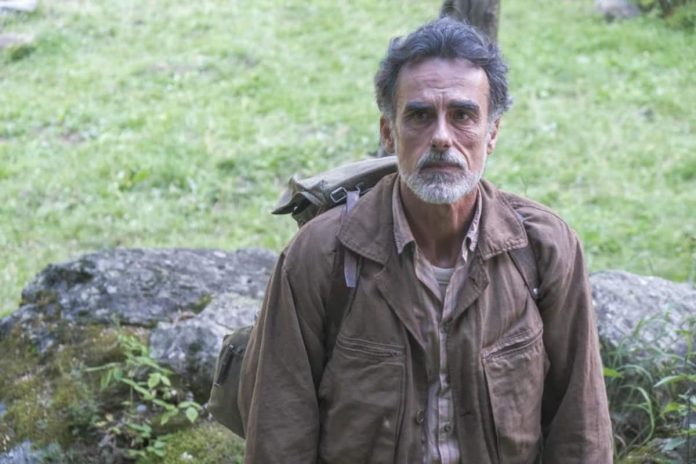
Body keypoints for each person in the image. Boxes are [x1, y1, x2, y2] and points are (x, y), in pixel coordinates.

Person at [239, 18, 613, 464]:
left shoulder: (544, 249)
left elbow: (581, 429)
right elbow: (279, 433)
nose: (440, 137)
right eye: (419, 116)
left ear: (492, 133)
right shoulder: (321, 255)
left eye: (463, 116)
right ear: (388, 132)